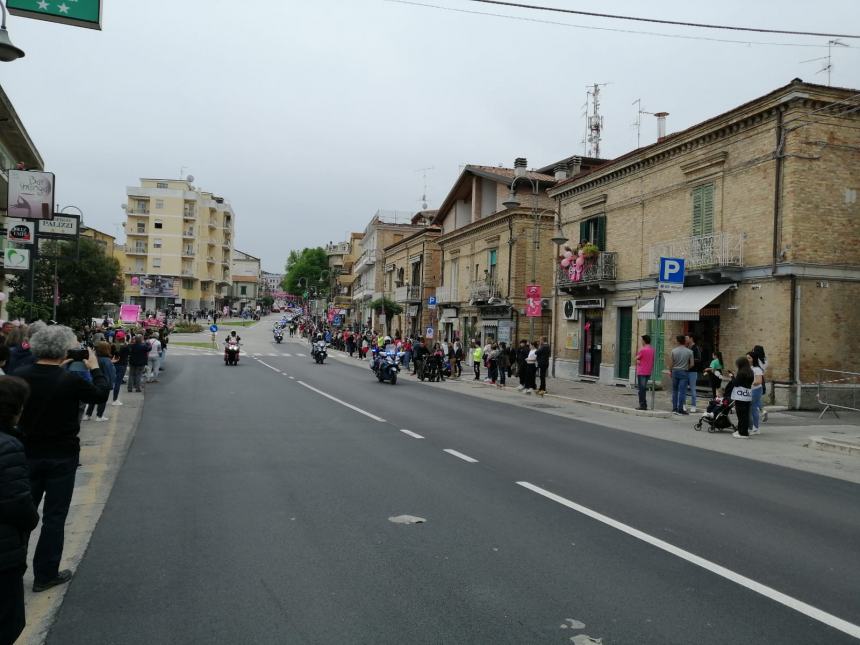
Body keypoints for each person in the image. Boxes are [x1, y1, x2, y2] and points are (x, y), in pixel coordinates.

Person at [16, 326, 110, 592]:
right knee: (54, 518)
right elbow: (101, 392)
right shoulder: (70, 380)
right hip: (62, 454)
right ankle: (45, 574)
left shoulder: (19, 375)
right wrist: (94, 367)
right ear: (64, 350)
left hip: (26, 453)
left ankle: (14, 569)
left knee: (22, 514)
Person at [0, 376, 39, 645]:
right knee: (8, 622)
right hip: (4, 551)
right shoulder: (8, 446)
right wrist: (31, 519)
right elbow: (18, 505)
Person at [730, 357, 755, 439]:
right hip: (747, 396)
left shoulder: (741, 373)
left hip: (740, 396)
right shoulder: (750, 372)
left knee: (740, 415)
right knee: (745, 415)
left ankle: (742, 433)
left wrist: (732, 376)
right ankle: (744, 431)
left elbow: (736, 383)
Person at [670, 335, 694, 415]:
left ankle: (674, 408)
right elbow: (692, 364)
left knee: (675, 391)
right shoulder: (690, 352)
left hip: (675, 371)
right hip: (684, 371)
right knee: (682, 391)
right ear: (684, 341)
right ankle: (680, 409)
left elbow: (671, 363)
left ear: (678, 341)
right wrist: (686, 367)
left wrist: (671, 370)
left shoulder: (673, 351)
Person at [634, 334, 655, 410]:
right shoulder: (652, 349)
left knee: (641, 390)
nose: (641, 341)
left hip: (642, 371)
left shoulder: (642, 350)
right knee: (643, 388)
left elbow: (636, 358)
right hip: (648, 371)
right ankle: (644, 404)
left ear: (644, 341)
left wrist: (637, 360)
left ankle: (643, 405)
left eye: (642, 340)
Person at [748, 351, 764, 435]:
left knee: (752, 408)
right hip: (750, 390)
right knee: (752, 408)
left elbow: (759, 381)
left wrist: (750, 383)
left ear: (753, 359)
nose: (747, 359)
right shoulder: (749, 368)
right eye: (747, 358)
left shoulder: (757, 369)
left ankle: (755, 428)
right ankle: (754, 427)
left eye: (749, 358)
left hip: (756, 390)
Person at [685, 334, 702, 412]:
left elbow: (699, 359)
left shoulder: (696, 347)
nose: (686, 339)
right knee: (683, 388)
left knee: (692, 389)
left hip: (693, 371)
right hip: (685, 370)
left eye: (687, 338)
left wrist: (690, 360)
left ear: (691, 338)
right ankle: (683, 404)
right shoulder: (686, 347)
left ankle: (693, 405)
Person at [752, 345, 768, 423]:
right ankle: (762, 410)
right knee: (757, 397)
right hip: (762, 378)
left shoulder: (756, 360)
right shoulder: (765, 360)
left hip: (756, 378)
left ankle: (762, 410)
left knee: (754, 398)